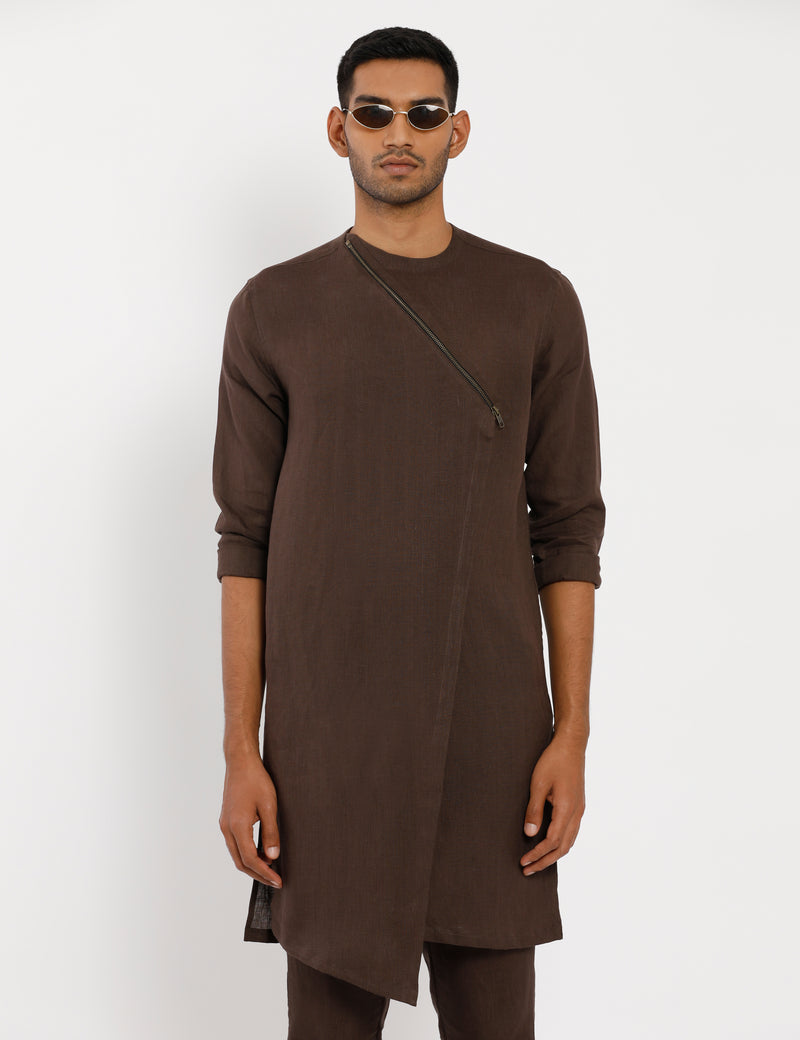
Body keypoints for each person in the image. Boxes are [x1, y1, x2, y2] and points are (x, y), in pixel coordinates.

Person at [213, 25, 605, 1040]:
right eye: (375, 113)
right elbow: (244, 540)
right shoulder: (273, 308)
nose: (399, 134)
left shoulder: (534, 300)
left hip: (493, 735)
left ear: (456, 132)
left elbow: (567, 529)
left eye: (424, 114)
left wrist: (570, 732)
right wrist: (241, 750)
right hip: (326, 747)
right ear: (337, 128)